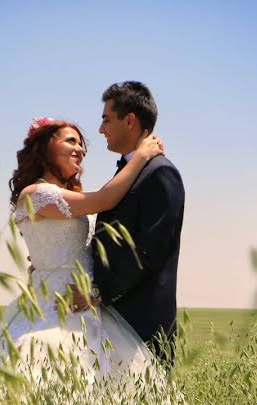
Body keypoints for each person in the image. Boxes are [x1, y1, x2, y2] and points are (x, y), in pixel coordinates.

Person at [0, 116, 165, 388]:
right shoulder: (34, 195)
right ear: (44, 149)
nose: (80, 149)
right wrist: (141, 156)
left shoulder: (68, 195)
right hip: (55, 308)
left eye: (82, 145)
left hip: (91, 305)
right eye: (71, 141)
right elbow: (105, 199)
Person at [69, 82, 185, 367]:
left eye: (106, 119)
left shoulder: (161, 173)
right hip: (111, 320)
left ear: (130, 120)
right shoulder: (131, 172)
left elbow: (148, 252)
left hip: (141, 324)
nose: (100, 129)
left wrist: (97, 293)